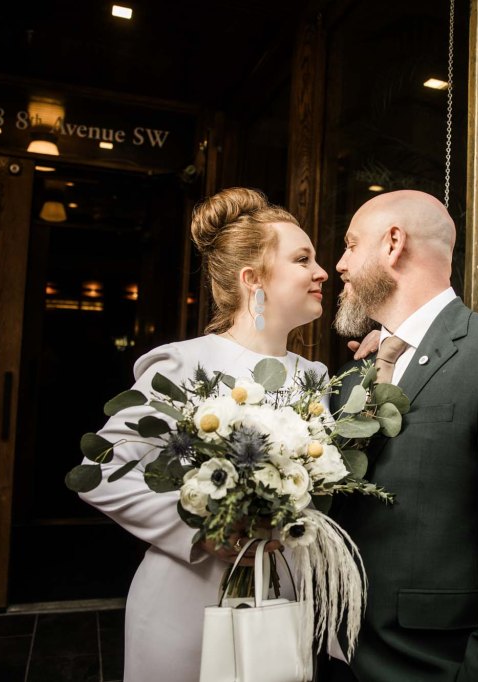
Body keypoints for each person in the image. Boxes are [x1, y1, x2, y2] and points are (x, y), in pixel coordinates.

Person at [78, 187, 330, 682]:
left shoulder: (315, 376)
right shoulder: (185, 364)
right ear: (252, 279)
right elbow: (100, 470)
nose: (322, 272)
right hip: (187, 602)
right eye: (303, 259)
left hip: (283, 599)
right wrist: (204, 531)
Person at [323, 190, 478, 682]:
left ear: (393, 244)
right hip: (336, 659)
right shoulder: (353, 376)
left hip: (432, 666)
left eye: (351, 246)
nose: (339, 264)